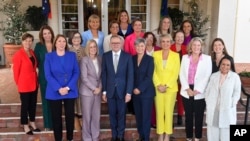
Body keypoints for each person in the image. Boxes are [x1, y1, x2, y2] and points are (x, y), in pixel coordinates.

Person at [44, 34, 80, 141]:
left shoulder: (72, 55)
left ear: (66, 43)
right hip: (54, 91)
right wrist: (59, 88)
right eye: (59, 41)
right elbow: (48, 75)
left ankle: (70, 138)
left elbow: (76, 72)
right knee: (56, 118)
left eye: (63, 41)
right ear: (55, 43)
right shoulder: (49, 56)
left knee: (69, 117)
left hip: (70, 90)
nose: (61, 43)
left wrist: (68, 87)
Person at [179, 37, 212, 141]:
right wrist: (187, 88)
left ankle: (197, 137)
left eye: (198, 45)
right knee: (188, 115)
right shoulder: (185, 58)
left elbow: (207, 75)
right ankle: (189, 137)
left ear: (201, 47)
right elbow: (181, 74)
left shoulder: (207, 59)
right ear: (190, 47)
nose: (196, 47)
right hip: (187, 90)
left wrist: (198, 89)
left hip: (200, 91)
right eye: (194, 45)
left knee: (199, 115)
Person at [102, 35, 134, 141]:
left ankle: (120, 136)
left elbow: (130, 76)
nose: (115, 45)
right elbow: (104, 74)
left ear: (121, 44)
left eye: (117, 43)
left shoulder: (127, 56)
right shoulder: (105, 56)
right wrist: (104, 91)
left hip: (123, 91)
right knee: (112, 114)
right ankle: (114, 135)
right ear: (110, 44)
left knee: (121, 114)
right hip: (110, 91)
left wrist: (129, 92)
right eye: (113, 43)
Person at [204, 56, 241, 141]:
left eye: (228, 65)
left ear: (231, 66)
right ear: (220, 65)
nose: (225, 66)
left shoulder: (235, 77)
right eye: (223, 64)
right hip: (214, 109)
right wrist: (208, 101)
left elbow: (237, 92)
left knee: (226, 135)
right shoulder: (214, 76)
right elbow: (208, 90)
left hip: (226, 109)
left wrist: (232, 102)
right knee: (212, 134)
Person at [152, 34, 180, 141]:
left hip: (170, 88)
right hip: (158, 88)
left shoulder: (175, 56)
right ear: (160, 43)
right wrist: (158, 84)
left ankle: (167, 134)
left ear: (171, 42)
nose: (165, 43)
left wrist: (166, 85)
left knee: (168, 112)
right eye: (163, 41)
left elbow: (175, 73)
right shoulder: (155, 54)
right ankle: (160, 134)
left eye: (168, 41)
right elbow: (153, 71)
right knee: (159, 111)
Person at [12, 33, 41, 135]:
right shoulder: (18, 54)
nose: (28, 42)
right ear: (22, 41)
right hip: (24, 85)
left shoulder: (32, 52)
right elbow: (16, 72)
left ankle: (32, 123)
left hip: (34, 83)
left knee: (33, 105)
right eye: (26, 40)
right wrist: (19, 84)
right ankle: (25, 125)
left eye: (30, 40)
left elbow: (34, 66)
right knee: (25, 106)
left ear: (32, 42)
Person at [132, 38, 155, 141]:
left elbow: (148, 77)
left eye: (142, 46)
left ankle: (146, 138)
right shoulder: (131, 58)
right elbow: (130, 75)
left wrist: (140, 89)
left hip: (146, 93)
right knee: (139, 116)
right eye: (138, 46)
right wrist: (133, 88)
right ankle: (141, 136)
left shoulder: (150, 59)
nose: (140, 48)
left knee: (146, 117)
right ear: (135, 47)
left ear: (145, 47)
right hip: (135, 93)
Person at [79, 39, 102, 141]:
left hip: (97, 92)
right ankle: (87, 138)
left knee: (96, 116)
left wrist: (100, 88)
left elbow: (101, 76)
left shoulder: (100, 59)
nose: (93, 49)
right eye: (91, 47)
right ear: (88, 48)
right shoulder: (84, 60)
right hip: (87, 92)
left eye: (94, 47)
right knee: (87, 117)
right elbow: (84, 78)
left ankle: (95, 137)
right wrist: (94, 88)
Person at [34, 25, 54, 131]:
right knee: (46, 101)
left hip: (56, 78)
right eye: (45, 33)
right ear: (42, 35)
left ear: (52, 33)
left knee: (55, 101)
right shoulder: (39, 46)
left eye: (49, 33)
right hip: (44, 77)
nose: (47, 35)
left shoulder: (56, 44)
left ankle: (55, 123)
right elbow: (35, 62)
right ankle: (47, 125)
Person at [68, 31, 86, 129]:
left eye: (78, 37)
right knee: (74, 98)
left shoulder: (85, 50)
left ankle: (83, 119)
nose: (76, 39)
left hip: (83, 79)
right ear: (71, 39)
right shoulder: (68, 51)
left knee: (82, 97)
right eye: (74, 37)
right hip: (72, 79)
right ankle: (76, 121)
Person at [143, 31, 161, 128]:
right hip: (146, 80)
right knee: (147, 103)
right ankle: (148, 121)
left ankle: (155, 121)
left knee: (156, 103)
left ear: (154, 40)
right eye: (147, 38)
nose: (149, 40)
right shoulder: (142, 49)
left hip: (158, 79)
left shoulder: (158, 50)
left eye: (151, 38)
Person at [170, 30, 187, 125]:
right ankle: (170, 116)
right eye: (178, 37)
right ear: (174, 37)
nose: (180, 38)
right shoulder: (170, 47)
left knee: (181, 97)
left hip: (182, 77)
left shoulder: (186, 48)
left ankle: (180, 116)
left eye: (182, 37)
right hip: (172, 76)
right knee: (172, 97)